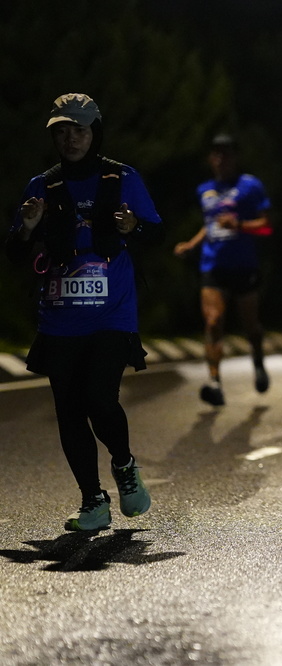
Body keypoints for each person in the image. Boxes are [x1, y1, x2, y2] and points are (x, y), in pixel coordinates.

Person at [4, 93, 162, 530]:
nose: (70, 139)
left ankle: (124, 465)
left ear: (95, 133)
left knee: (99, 398)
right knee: (69, 409)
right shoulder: (42, 186)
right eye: (61, 131)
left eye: (79, 130)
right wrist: (28, 229)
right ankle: (93, 500)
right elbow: (14, 252)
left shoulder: (122, 178)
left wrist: (134, 227)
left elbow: (156, 234)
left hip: (112, 313)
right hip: (60, 317)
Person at [174, 134, 271, 406]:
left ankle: (258, 361)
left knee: (251, 325)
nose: (220, 159)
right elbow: (210, 224)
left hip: (244, 266)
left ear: (235, 157)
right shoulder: (205, 190)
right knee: (213, 321)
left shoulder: (250, 185)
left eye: (226, 154)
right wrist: (191, 245)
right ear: (210, 158)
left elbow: (266, 225)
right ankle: (214, 382)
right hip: (213, 265)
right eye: (216, 154)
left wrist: (239, 225)